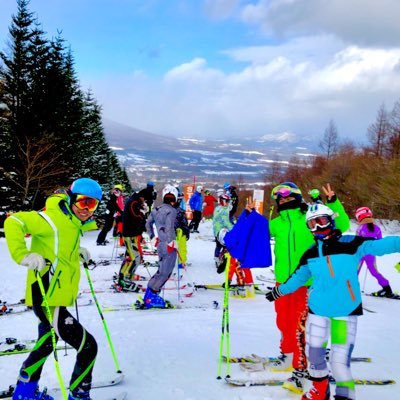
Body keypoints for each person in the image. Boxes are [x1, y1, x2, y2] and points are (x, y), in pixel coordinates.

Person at [265, 203, 400, 400]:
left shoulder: (352, 243)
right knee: (315, 357)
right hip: (317, 311)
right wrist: (279, 291)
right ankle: (319, 391)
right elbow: (298, 278)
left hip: (344, 311)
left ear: (331, 220)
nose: (318, 227)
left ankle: (345, 395)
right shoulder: (310, 253)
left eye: (321, 221)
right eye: (312, 224)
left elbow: (382, 245)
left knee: (339, 361)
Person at [4, 178, 102, 400]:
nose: (87, 209)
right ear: (71, 198)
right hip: (47, 297)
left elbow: (58, 247)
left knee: (46, 343)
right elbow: (14, 222)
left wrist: (77, 252)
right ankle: (79, 396)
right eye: (83, 202)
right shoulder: (51, 218)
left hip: (53, 296)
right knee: (88, 346)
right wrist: (23, 254)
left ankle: (25, 391)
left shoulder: (71, 221)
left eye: (93, 204)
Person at [268, 182, 350, 395]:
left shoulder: (308, 218)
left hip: (308, 283)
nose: (284, 201)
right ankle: (287, 355)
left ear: (296, 197)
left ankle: (302, 368)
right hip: (283, 282)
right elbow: (255, 236)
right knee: (283, 322)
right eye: (280, 199)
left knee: (300, 327)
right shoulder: (275, 223)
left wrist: (333, 202)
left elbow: (342, 223)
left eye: (288, 197)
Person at [144, 185, 178, 308]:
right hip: (168, 244)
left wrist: (152, 236)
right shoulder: (172, 211)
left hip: (160, 243)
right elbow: (169, 226)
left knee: (161, 269)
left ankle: (149, 294)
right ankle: (152, 296)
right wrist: (171, 241)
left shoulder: (156, 209)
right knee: (165, 271)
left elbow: (148, 223)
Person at [355, 206, 393, 297]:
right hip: (371, 254)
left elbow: (356, 242)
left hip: (360, 253)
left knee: (354, 271)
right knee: (374, 271)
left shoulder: (360, 228)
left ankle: (349, 290)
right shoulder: (377, 228)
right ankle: (387, 289)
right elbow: (380, 241)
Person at [116, 189, 148, 291]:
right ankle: (125, 280)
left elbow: (136, 219)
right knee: (135, 258)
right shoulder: (133, 202)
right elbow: (136, 217)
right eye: (144, 198)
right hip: (130, 234)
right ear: (141, 196)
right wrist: (143, 213)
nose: (144, 200)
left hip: (131, 233)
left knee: (130, 257)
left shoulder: (134, 201)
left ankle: (124, 277)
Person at [174, 188, 190, 269]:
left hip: (179, 231)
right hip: (177, 231)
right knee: (180, 247)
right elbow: (184, 223)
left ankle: (181, 262)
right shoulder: (178, 211)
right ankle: (179, 262)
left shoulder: (180, 210)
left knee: (181, 247)